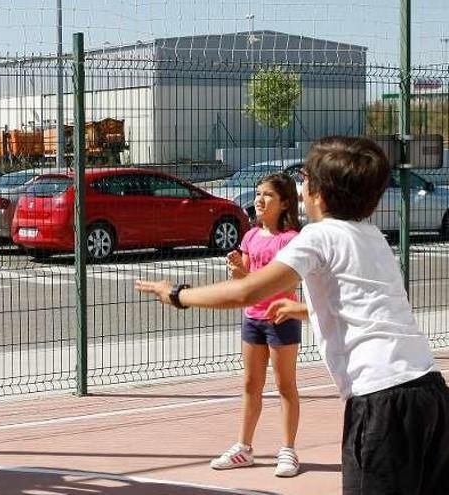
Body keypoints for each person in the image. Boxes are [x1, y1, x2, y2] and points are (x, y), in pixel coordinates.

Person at [135, 136, 449, 494]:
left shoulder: (318, 236)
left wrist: (178, 294)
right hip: (430, 391)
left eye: (305, 178)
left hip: (382, 399)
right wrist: (303, 308)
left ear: (317, 193)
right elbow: (370, 305)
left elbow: (246, 291)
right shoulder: (372, 236)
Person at [211, 172, 302, 477]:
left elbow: (278, 283)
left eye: (268, 196)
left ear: (285, 202)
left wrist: (247, 278)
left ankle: (288, 450)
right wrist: (237, 268)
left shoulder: (290, 240)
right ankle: (244, 448)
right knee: (251, 385)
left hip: (281, 318)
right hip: (252, 320)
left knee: (285, 385)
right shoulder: (250, 236)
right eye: (258, 193)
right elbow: (246, 284)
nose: (259, 200)